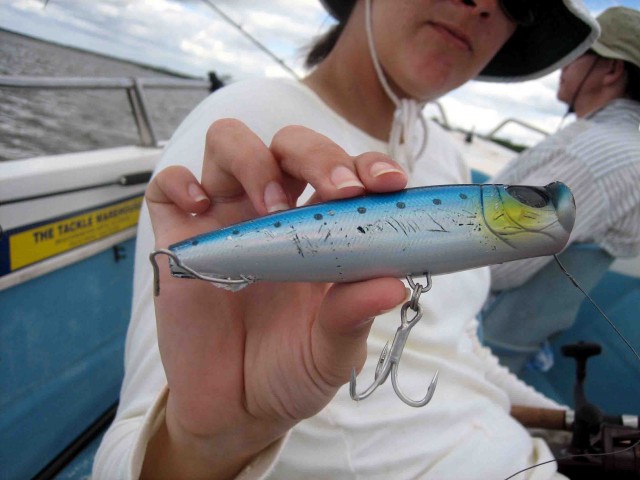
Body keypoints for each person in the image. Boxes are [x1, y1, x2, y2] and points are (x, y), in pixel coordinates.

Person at [93, 1, 599, 478]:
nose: (483, 3)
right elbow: (124, 454)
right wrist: (211, 444)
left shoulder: (444, 154)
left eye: (520, 0)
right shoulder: (249, 121)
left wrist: (558, 415)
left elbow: (461, 349)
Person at [483, 6, 640, 374]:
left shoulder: (595, 154)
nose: (562, 65)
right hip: (510, 344)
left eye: (575, 54)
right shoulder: (620, 147)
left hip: (469, 340)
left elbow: (493, 260)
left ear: (611, 69)